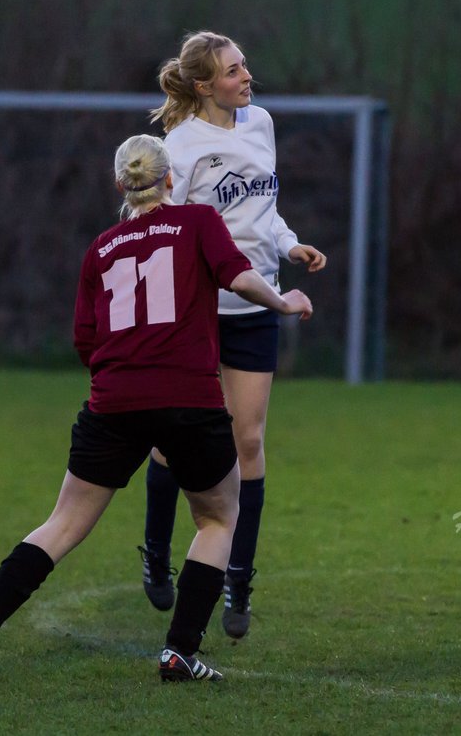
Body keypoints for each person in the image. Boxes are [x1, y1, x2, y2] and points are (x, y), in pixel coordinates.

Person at [0, 134, 313, 682]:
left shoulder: (101, 248)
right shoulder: (199, 221)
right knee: (217, 516)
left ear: (120, 186)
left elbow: (85, 342)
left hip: (113, 401)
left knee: (60, 525)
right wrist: (283, 301)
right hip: (188, 398)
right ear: (169, 180)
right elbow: (239, 277)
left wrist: (126, 385)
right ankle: (180, 651)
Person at [137, 31, 327, 639]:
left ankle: (237, 578)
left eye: (245, 65)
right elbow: (168, 229)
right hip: (199, 313)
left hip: (254, 310)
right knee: (174, 439)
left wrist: (286, 242)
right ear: (203, 85)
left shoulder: (261, 123)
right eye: (233, 70)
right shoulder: (182, 145)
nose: (247, 77)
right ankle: (155, 550)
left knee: (248, 443)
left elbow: (263, 211)